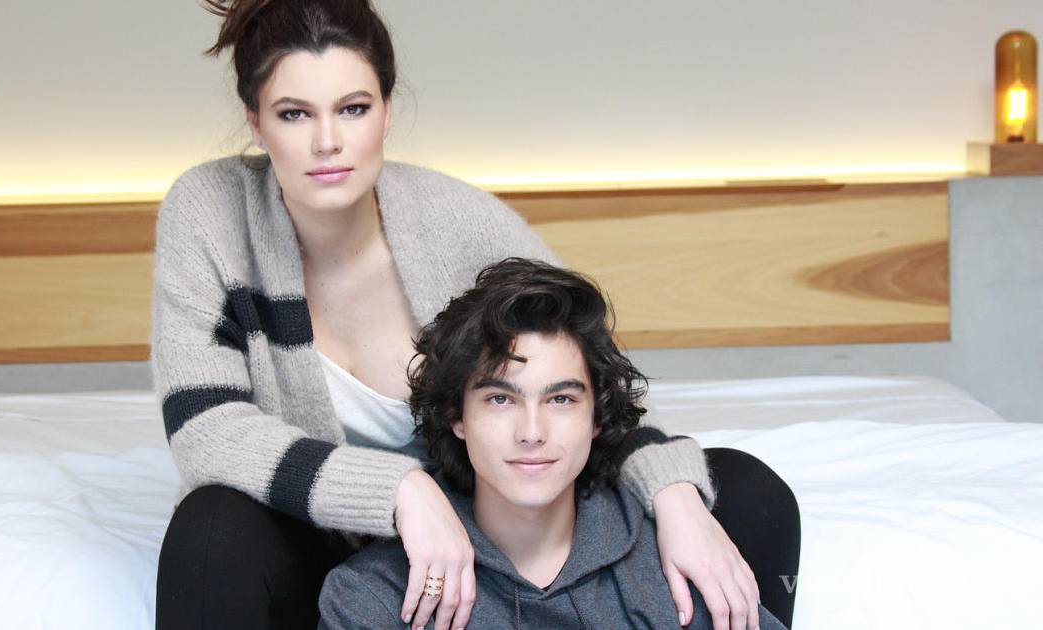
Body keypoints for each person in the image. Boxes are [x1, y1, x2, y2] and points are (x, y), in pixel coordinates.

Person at [151, 1, 800, 629]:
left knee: (744, 494)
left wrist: (672, 493)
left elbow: (589, 384)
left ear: (386, 111)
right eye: (294, 114)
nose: (327, 141)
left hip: (481, 548)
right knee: (212, 532)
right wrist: (399, 491)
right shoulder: (210, 213)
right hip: (310, 540)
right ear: (256, 122)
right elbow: (205, 430)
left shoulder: (459, 225)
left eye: (353, 108)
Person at [319, 258, 788, 630]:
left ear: (596, 417)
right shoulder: (375, 595)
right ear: (457, 417)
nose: (532, 432)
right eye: (501, 399)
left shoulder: (680, 572)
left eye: (561, 399)